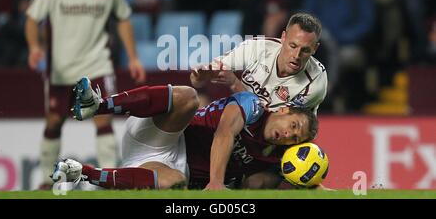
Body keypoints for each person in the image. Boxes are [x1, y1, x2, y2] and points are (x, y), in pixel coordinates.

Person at [25, 0, 146, 189]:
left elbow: (123, 18)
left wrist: (134, 57)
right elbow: (32, 18)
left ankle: (110, 182)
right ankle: (46, 181)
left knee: (103, 117)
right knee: (54, 121)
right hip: (61, 68)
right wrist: (35, 46)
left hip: (97, 64)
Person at [52, 77, 318, 190]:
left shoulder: (276, 159)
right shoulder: (254, 105)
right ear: (283, 110)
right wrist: (216, 183)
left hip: (165, 166)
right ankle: (98, 105)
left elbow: (270, 184)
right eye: (293, 127)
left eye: (295, 139)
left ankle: (82, 172)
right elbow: (225, 132)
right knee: (188, 97)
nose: (288, 136)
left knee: (175, 182)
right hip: (165, 132)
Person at [191, 13, 327, 115]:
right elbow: (196, 80)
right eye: (292, 45)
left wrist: (235, 84)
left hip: (278, 141)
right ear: (283, 37)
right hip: (241, 122)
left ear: (315, 48)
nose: (296, 55)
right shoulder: (257, 47)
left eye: (305, 50)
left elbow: (274, 124)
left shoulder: (316, 81)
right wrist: (200, 76)